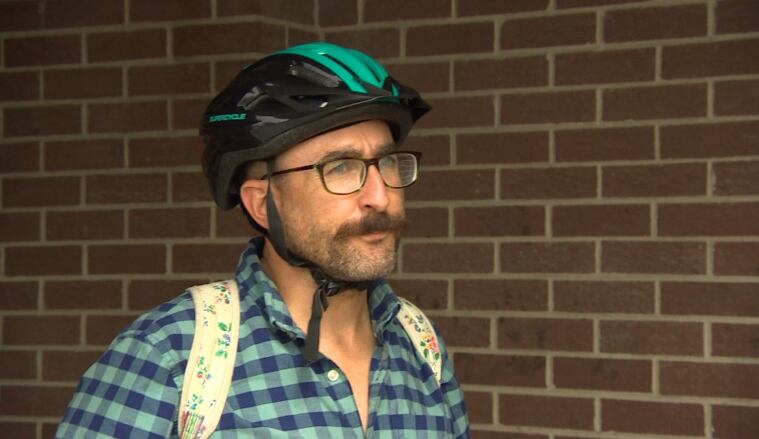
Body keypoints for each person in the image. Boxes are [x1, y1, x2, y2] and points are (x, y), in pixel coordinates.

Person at [56, 42, 470, 438]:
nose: (380, 196)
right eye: (341, 169)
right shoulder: (169, 355)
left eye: (387, 163)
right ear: (261, 203)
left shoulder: (421, 345)